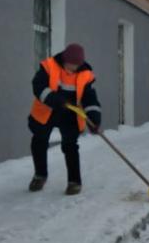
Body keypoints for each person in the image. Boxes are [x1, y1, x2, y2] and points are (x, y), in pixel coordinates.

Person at [28, 43, 101, 195]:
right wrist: (55, 99)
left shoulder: (86, 74)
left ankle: (74, 182)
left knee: (70, 146)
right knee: (39, 141)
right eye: (70, 65)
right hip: (47, 109)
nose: (72, 68)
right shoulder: (49, 66)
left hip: (70, 114)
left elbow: (90, 98)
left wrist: (94, 119)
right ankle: (40, 175)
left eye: (76, 66)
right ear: (64, 59)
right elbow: (38, 86)